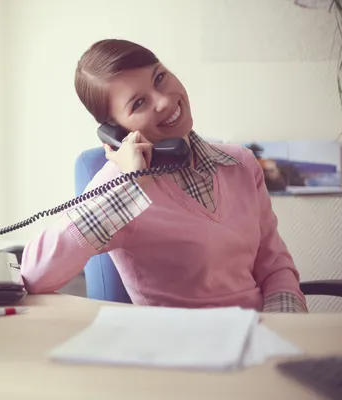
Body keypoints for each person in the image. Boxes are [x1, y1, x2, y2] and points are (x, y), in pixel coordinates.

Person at [19, 39, 307, 313]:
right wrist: (129, 188)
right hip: (183, 354)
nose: (164, 102)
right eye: (138, 103)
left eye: (159, 78)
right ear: (115, 130)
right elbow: (35, 274)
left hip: (260, 338)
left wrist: (283, 329)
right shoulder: (121, 187)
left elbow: (275, 268)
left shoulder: (240, 163)